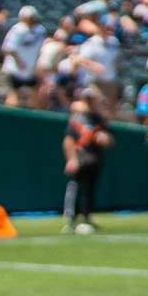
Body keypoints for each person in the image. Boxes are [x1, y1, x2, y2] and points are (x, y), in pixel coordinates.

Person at [62, 96, 111, 235]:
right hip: (80, 158)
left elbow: (110, 140)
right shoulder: (76, 119)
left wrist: (105, 139)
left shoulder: (98, 119)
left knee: (90, 191)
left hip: (94, 159)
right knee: (76, 189)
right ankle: (72, 220)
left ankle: (86, 218)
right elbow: (68, 140)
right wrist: (72, 159)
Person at [0, 6, 44, 109]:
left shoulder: (40, 30)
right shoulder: (17, 29)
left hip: (30, 70)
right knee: (13, 95)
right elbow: (8, 49)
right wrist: (18, 62)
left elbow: (41, 48)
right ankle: (8, 119)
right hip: (14, 69)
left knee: (34, 97)